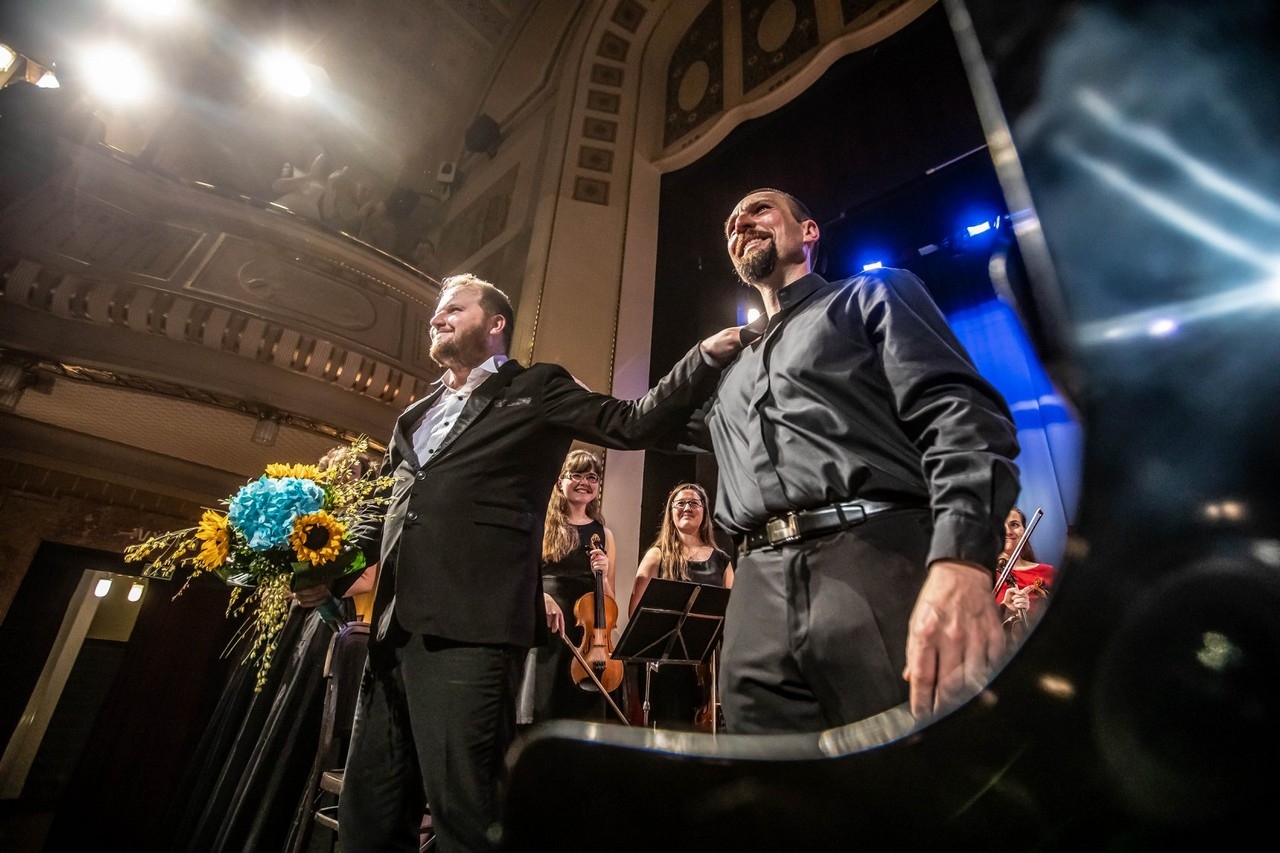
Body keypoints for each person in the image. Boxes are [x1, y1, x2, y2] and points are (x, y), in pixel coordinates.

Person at [335, 274, 744, 852]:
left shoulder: (538, 386)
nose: (436, 318)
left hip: (470, 631)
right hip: (391, 632)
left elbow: (631, 421)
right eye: (437, 312)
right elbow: (381, 511)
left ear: (495, 322)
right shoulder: (415, 414)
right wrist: (327, 571)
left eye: (453, 308)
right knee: (367, 821)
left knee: (466, 819)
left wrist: (701, 358)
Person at [680, 188, 1021, 733]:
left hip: (875, 563)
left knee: (913, 773)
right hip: (754, 601)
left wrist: (962, 558)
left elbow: (962, 416)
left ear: (809, 231)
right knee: (773, 785)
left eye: (759, 208)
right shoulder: (730, 375)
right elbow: (637, 422)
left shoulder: (871, 293)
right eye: (731, 224)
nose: (740, 222)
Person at [168, 444, 379, 853]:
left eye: (352, 472)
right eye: (338, 471)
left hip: (324, 627)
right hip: (294, 627)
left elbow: (368, 576)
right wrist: (293, 577)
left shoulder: (367, 524)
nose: (345, 476)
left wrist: (322, 580)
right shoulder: (319, 514)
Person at [517, 449, 623, 724]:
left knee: (581, 718)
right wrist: (541, 597)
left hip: (587, 642)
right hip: (546, 627)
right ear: (560, 481)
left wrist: (604, 575)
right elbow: (522, 576)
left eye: (592, 477)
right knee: (542, 709)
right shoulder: (542, 526)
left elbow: (610, 603)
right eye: (576, 475)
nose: (584, 482)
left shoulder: (604, 534)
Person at [628, 482, 734, 730]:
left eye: (694, 503)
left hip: (709, 663)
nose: (687, 508)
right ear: (671, 511)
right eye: (681, 503)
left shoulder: (721, 560)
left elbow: (733, 612)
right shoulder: (657, 555)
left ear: (704, 511)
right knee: (669, 728)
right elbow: (636, 613)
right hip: (667, 663)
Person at [994, 507, 1056, 645]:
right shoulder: (983, 575)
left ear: (1025, 531)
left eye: (1014, 524)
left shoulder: (1047, 572)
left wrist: (1033, 611)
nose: (1008, 531)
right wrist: (1004, 608)